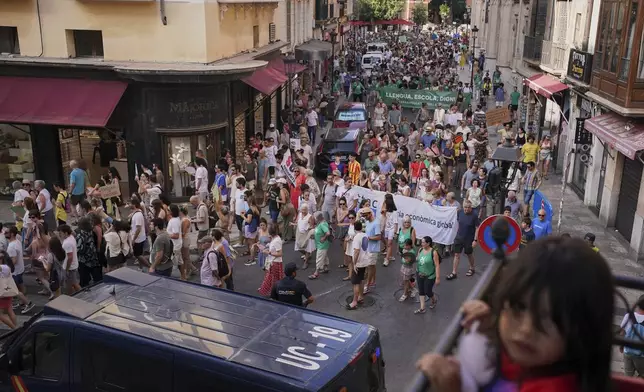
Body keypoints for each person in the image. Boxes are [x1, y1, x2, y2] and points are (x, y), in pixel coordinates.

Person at [416, 236, 613, 392]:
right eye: (519, 307)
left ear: (584, 330)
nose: (526, 329)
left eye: (551, 319)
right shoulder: (535, 361)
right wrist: (491, 326)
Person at [446, 200, 479, 280]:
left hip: (469, 239)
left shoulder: (474, 215)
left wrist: (475, 240)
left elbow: (477, 227)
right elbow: (457, 222)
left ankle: (472, 268)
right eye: (465, 207)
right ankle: (454, 272)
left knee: (469, 254)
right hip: (459, 237)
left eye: (468, 207)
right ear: (463, 207)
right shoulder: (459, 212)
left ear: (471, 208)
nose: (467, 209)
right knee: (456, 254)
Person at [5, 226, 34, 313]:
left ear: (12, 234)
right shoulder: (17, 241)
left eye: (6, 232)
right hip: (20, 269)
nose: (4, 233)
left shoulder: (11, 247)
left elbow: (13, 261)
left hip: (14, 272)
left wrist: (5, 269)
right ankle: (23, 302)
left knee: (15, 291)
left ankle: (28, 303)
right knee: (21, 286)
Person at [415, 236, 440, 314]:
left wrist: (438, 278)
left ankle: (433, 300)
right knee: (421, 290)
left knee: (427, 291)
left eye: (423, 242)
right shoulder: (420, 249)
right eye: (421, 242)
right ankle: (422, 308)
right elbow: (417, 259)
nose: (421, 243)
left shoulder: (433, 252)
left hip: (429, 276)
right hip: (419, 273)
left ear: (428, 243)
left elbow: (437, 265)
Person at [621, 294, 644, 378]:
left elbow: (622, 333)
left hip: (628, 352)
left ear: (637, 304)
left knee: (628, 376)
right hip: (641, 356)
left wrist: (621, 346)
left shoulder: (628, 316)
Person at [258, 223, 284, 296]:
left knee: (273, 279)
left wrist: (268, 252)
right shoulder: (274, 238)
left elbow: (280, 253)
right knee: (270, 277)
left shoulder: (277, 241)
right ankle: (268, 290)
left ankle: (273, 293)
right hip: (272, 261)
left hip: (275, 262)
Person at [347, 221, 368, 310]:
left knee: (355, 283)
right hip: (365, 261)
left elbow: (356, 251)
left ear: (355, 228)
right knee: (361, 281)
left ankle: (354, 302)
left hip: (359, 263)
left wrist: (354, 263)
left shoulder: (356, 237)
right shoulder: (365, 235)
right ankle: (361, 297)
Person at [360, 207, 381, 294]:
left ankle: (367, 285)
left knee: (370, 267)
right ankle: (373, 281)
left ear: (370, 214)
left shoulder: (376, 223)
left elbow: (379, 237)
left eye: (365, 216)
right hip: (368, 248)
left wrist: (369, 238)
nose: (365, 217)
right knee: (372, 266)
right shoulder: (368, 222)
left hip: (373, 249)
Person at [58, 224, 82, 294]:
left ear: (65, 233)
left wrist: (67, 269)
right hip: (73, 265)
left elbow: (70, 257)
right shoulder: (71, 237)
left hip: (70, 267)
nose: (60, 235)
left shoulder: (67, 243)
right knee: (72, 283)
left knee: (72, 284)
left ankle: (77, 296)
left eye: (60, 233)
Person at [309, 211, 331, 279]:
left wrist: (323, 238)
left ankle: (316, 272)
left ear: (317, 218)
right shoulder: (321, 223)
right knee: (324, 256)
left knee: (319, 258)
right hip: (321, 244)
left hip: (322, 245)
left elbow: (328, 233)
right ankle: (326, 267)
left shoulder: (322, 224)